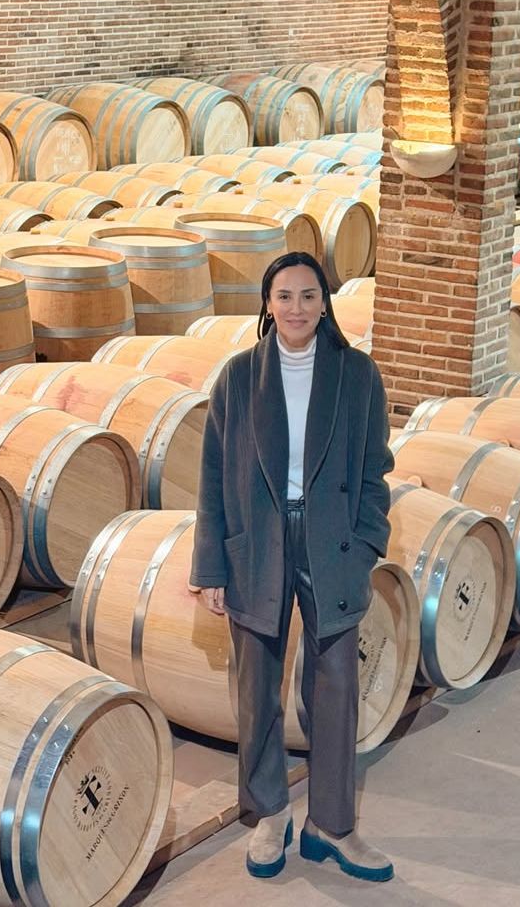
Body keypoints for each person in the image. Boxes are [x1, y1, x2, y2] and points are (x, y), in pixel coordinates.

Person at [190, 251, 396, 883]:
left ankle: (331, 826)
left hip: (332, 543)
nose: (297, 308)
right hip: (259, 541)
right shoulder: (237, 377)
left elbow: (374, 471)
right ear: (267, 303)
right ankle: (271, 814)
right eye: (284, 296)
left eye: (309, 295)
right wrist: (212, 565)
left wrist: (366, 545)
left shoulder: (357, 374)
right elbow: (213, 477)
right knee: (256, 690)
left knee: (336, 689)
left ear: (325, 302)